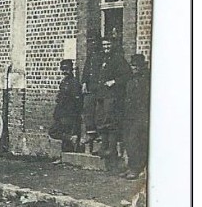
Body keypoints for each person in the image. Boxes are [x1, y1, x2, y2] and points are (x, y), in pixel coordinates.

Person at [84, 37, 131, 171]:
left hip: (112, 96)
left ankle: (111, 149)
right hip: (101, 95)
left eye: (108, 45)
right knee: (101, 120)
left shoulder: (118, 59)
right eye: (104, 45)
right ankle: (104, 147)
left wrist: (114, 81)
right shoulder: (101, 58)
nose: (106, 48)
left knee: (110, 121)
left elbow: (127, 75)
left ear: (113, 45)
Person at [122, 53, 150, 180]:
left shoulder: (146, 79)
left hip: (141, 115)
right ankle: (131, 167)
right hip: (129, 114)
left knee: (136, 141)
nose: (134, 68)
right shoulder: (131, 79)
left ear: (141, 66)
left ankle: (136, 168)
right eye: (132, 66)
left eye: (136, 66)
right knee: (128, 141)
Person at [49, 59, 83, 153]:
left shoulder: (74, 82)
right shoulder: (64, 82)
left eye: (67, 69)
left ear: (71, 69)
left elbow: (77, 100)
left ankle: (68, 149)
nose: (65, 71)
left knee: (57, 131)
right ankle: (69, 142)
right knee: (58, 132)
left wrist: (75, 113)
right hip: (62, 112)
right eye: (63, 69)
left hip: (69, 112)